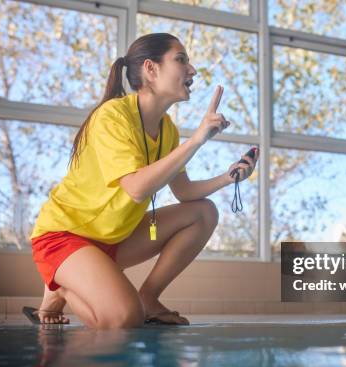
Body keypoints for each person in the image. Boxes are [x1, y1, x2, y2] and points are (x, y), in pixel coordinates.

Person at [25, 33, 258, 328]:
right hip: (64, 235)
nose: (192, 70)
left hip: (114, 238)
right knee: (125, 318)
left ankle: (147, 296)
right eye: (181, 59)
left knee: (203, 212)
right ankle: (62, 284)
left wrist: (229, 176)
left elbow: (184, 192)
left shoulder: (168, 130)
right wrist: (197, 140)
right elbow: (136, 188)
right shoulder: (112, 116)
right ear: (151, 69)